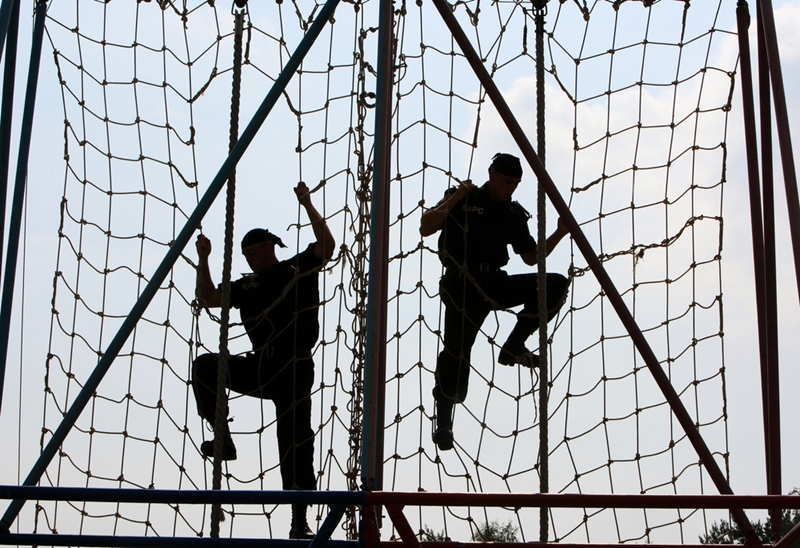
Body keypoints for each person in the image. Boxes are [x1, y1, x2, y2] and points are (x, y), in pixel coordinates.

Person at [192, 182, 335, 539]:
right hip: (262, 365)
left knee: (295, 440)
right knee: (207, 366)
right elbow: (209, 296)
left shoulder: (296, 268)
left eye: (254, 252)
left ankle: (299, 519)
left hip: (294, 366)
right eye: (246, 255)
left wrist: (308, 204)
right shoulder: (248, 286)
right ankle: (222, 436)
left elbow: (326, 247)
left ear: (270, 247)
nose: (250, 259)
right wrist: (204, 258)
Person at [419, 153, 570, 452]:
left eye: (515, 183)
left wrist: (560, 233)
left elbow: (530, 258)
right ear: (491, 174)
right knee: (457, 354)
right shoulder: (464, 196)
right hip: (462, 284)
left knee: (554, 284)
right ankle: (445, 420)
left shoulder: (513, 215)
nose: (509, 188)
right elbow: (426, 226)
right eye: (505, 181)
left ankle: (514, 345)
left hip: (494, 283)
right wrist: (457, 197)